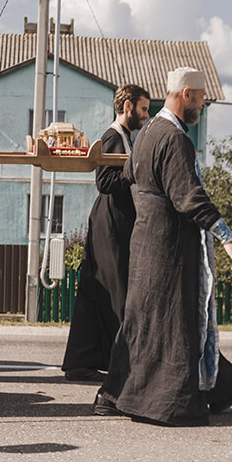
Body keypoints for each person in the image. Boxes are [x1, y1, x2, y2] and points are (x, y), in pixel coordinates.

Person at [101, 67, 232, 426]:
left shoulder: (146, 133)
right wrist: (230, 239)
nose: (203, 104)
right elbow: (189, 197)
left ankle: (125, 394)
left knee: (144, 324)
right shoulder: (174, 138)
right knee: (173, 327)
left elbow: (129, 177)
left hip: (146, 244)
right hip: (170, 249)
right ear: (187, 94)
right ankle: (167, 404)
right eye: (202, 98)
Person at [63, 84, 150, 384]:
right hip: (110, 224)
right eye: (142, 108)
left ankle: (80, 362)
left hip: (112, 221)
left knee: (94, 292)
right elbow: (104, 180)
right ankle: (121, 364)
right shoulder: (113, 136)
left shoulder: (126, 136)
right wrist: (135, 168)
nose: (145, 114)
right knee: (117, 293)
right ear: (127, 106)